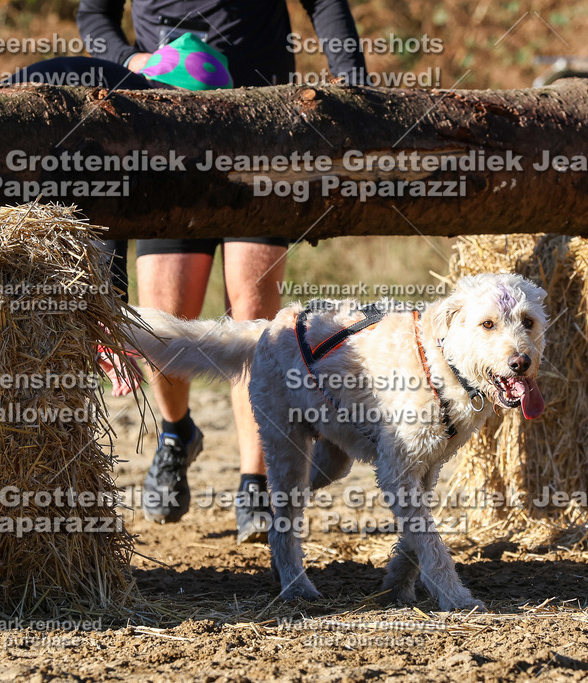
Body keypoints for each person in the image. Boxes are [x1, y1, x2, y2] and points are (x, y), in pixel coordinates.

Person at [75, 0, 368, 542]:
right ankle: (175, 434)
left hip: (262, 133)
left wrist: (351, 81)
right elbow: (92, 14)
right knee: (162, 320)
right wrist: (129, 61)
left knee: (254, 320)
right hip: (167, 134)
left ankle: (255, 484)